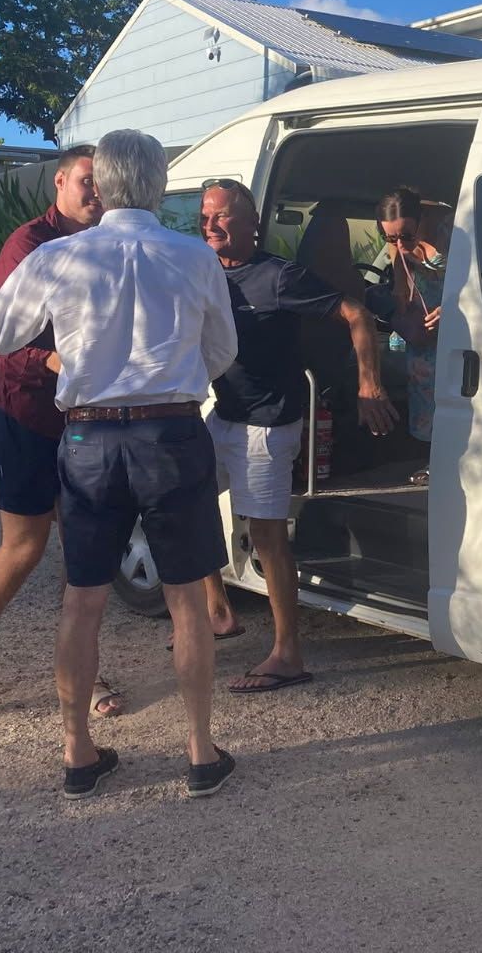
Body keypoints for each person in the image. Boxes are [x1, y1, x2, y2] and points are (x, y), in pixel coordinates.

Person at [0, 129, 240, 800]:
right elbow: (220, 352)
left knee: (83, 600)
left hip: (88, 441)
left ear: (100, 185)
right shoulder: (194, 258)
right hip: (170, 435)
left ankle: (79, 754)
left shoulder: (62, 257)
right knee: (188, 600)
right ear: (159, 186)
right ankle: (199, 752)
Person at [0, 145, 129, 719]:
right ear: (59, 182)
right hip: (25, 413)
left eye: (103, 184)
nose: (94, 193)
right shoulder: (29, 244)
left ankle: (83, 672)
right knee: (25, 547)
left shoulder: (113, 247)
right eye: (85, 181)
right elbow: (14, 335)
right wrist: (64, 364)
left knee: (84, 550)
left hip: (86, 418)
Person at [198, 180, 399, 693]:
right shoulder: (199, 271)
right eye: (205, 216)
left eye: (222, 216)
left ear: (252, 225)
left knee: (267, 537)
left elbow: (355, 313)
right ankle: (218, 611)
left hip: (268, 424)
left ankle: (288, 653)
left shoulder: (278, 276)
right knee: (183, 503)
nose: (211, 224)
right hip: (223, 415)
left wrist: (369, 384)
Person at [372, 187, 449, 484]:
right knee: (424, 386)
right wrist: (401, 294)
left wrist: (453, 309)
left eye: (406, 235)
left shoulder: (449, 229)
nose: (400, 244)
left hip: (451, 313)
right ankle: (429, 460)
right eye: (391, 238)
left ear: (421, 218)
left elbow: (476, 279)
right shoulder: (397, 242)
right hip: (423, 319)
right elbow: (400, 265)